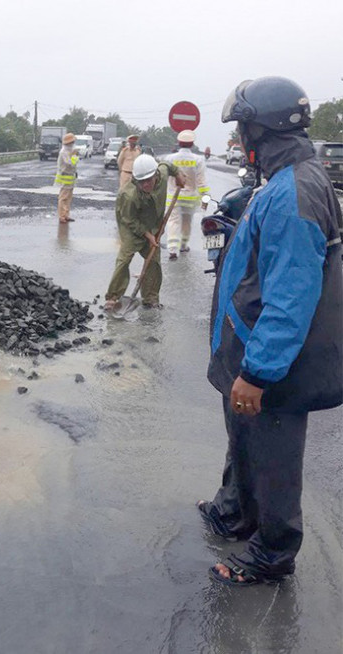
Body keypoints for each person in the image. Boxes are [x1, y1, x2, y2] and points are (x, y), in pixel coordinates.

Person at [199, 76, 343, 586]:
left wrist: (258, 373)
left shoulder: (295, 192)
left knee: (273, 452)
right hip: (249, 344)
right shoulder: (282, 179)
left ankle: (274, 550)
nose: (239, 140)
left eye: (242, 130)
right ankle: (236, 510)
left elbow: (291, 296)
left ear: (264, 129)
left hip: (273, 361)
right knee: (242, 438)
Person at [104, 154, 185, 310]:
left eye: (149, 180)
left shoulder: (161, 173)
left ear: (156, 175)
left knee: (154, 262)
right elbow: (129, 220)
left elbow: (167, 165)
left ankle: (150, 298)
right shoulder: (128, 195)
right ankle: (113, 297)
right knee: (124, 260)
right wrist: (148, 235)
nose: (146, 184)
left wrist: (178, 174)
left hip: (154, 224)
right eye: (142, 182)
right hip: (131, 225)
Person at [164, 130, 210, 259]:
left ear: (179, 143)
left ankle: (173, 250)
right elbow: (202, 183)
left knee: (173, 222)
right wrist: (205, 199)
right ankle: (183, 245)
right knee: (187, 221)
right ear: (192, 144)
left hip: (174, 197)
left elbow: (163, 177)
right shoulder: (198, 160)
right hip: (190, 197)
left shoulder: (170, 158)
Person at [54, 133, 79, 224]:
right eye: (72, 142)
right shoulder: (64, 152)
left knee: (68, 198)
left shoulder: (70, 151)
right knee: (63, 197)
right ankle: (62, 216)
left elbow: (74, 164)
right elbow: (70, 163)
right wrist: (74, 155)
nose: (73, 144)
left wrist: (74, 155)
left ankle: (66, 215)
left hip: (70, 177)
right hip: (65, 177)